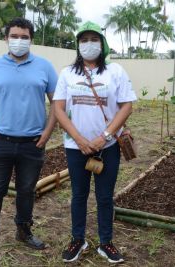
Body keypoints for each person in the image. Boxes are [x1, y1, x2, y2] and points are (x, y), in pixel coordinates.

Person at [0, 17, 58, 265]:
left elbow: (57, 102)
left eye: (24, 36)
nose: (19, 41)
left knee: (26, 191)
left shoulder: (45, 67)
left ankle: (23, 231)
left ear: (31, 39)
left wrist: (48, 131)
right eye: (14, 36)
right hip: (0, 143)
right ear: (6, 38)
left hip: (33, 143)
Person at [53, 21, 137, 264]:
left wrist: (105, 137)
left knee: (104, 196)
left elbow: (127, 106)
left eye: (93, 39)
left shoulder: (116, 71)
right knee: (78, 194)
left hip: (107, 148)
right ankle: (78, 239)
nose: (88, 45)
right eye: (83, 40)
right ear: (78, 45)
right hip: (75, 147)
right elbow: (58, 108)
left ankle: (106, 242)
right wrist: (79, 139)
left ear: (102, 44)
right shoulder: (68, 73)